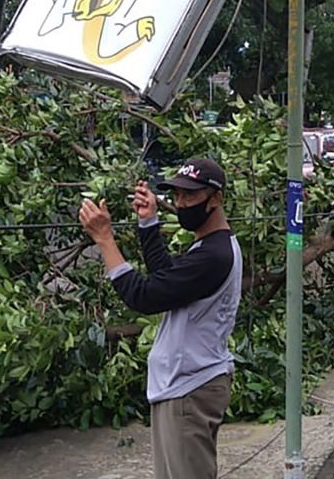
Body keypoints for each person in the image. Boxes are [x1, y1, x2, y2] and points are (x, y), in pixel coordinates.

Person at [79, 157, 243, 479]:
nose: (181, 203)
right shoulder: (210, 246)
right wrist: (148, 223)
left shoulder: (214, 256)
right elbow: (167, 278)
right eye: (178, 195)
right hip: (185, 386)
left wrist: (105, 239)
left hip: (190, 389)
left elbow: (145, 296)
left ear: (217, 198)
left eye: (191, 196)